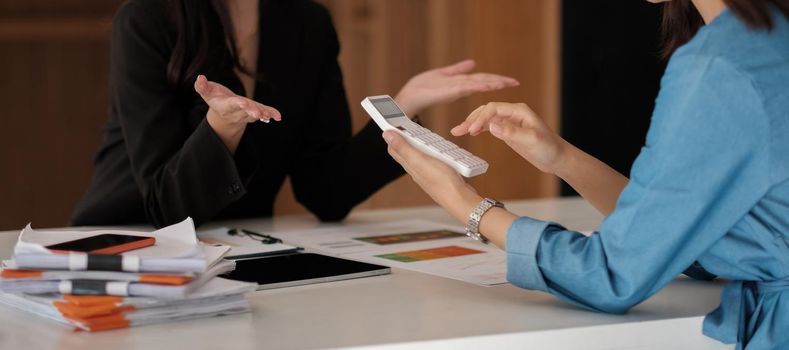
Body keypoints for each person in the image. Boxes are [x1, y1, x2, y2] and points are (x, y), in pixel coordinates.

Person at [383, 0, 789, 348]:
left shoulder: (719, 65)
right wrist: (561, 158)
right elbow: (684, 238)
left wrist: (464, 202)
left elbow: (613, 275)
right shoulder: (767, 42)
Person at [70, 0, 518, 227]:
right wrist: (221, 129)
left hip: (241, 254)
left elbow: (326, 191)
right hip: (124, 242)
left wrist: (402, 110)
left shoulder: (307, 22)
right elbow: (164, 209)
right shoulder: (148, 18)